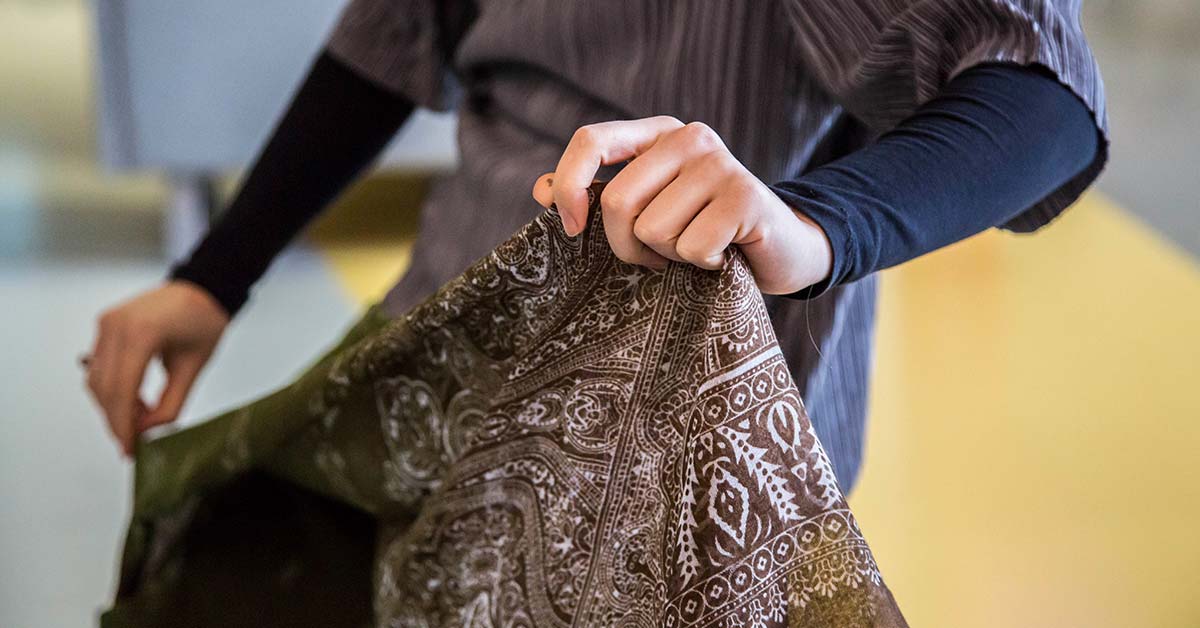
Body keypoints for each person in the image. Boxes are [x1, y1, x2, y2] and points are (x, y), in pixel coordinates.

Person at [85, 0, 1106, 493]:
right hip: (452, 329)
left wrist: (813, 223)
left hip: (679, 436)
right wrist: (215, 278)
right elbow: (392, 40)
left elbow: (1038, 96)